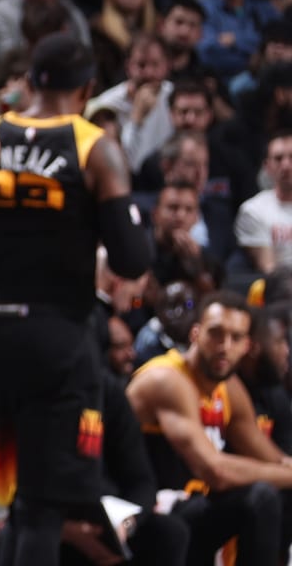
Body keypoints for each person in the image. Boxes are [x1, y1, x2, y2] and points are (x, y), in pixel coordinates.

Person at [0, 33, 152, 560]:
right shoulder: (93, 145)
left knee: (3, 497)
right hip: (59, 340)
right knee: (44, 506)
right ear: (88, 88)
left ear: (32, 82)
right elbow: (132, 259)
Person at [127, 292, 292, 566]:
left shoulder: (229, 388)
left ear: (247, 345)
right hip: (149, 512)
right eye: (216, 334)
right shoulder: (166, 379)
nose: (224, 346)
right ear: (195, 334)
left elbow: (272, 458)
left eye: (236, 338)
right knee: (261, 495)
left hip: (192, 509)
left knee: (275, 494)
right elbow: (216, 472)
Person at [237, 132, 292, 273]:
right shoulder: (253, 210)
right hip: (281, 289)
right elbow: (269, 268)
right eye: (278, 159)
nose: (286, 165)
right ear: (267, 166)